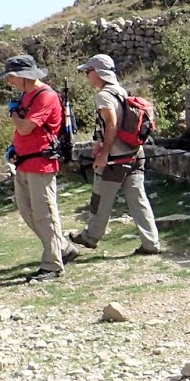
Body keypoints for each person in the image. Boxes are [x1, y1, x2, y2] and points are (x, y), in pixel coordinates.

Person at [68, 53, 162, 256]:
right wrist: (99, 144)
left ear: (98, 72)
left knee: (100, 198)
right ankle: (151, 243)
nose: (87, 76)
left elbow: (111, 125)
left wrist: (103, 153)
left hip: (115, 159)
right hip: (135, 153)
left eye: (88, 71)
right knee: (138, 199)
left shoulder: (103, 96)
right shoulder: (121, 90)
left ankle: (91, 236)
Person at [4, 54, 79, 282]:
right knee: (28, 212)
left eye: (12, 76)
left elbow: (25, 128)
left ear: (24, 76)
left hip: (41, 163)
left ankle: (52, 265)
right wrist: (13, 147)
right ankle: (63, 248)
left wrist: (13, 113)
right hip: (24, 162)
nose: (9, 81)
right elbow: (22, 132)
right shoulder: (26, 95)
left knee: (45, 214)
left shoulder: (45, 96)